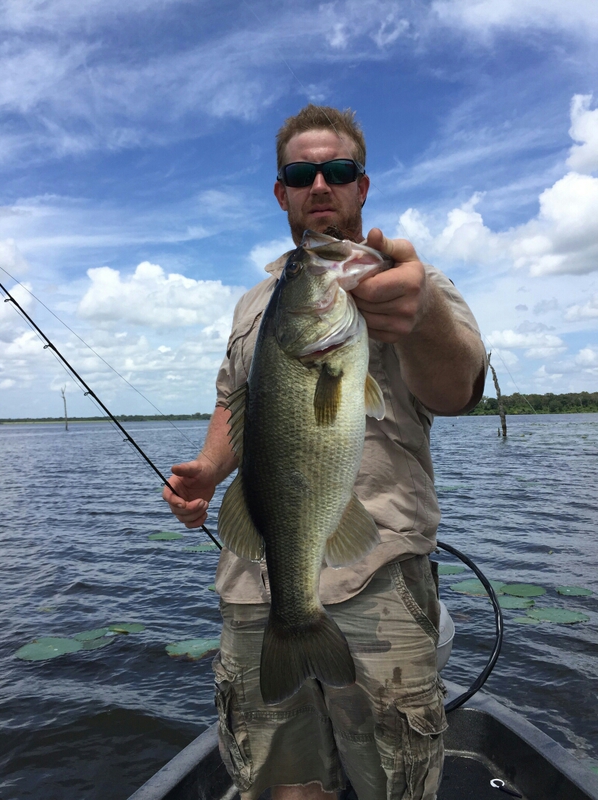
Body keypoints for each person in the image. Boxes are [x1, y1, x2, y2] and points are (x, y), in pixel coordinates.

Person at [163, 105, 487, 800]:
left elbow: (458, 388)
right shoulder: (258, 302)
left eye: (337, 171)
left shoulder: (408, 280)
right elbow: (237, 402)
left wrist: (424, 312)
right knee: (283, 784)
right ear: (281, 192)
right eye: (300, 173)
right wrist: (208, 470)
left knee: (392, 783)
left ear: (361, 188)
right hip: (258, 580)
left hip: (377, 573)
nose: (319, 185)